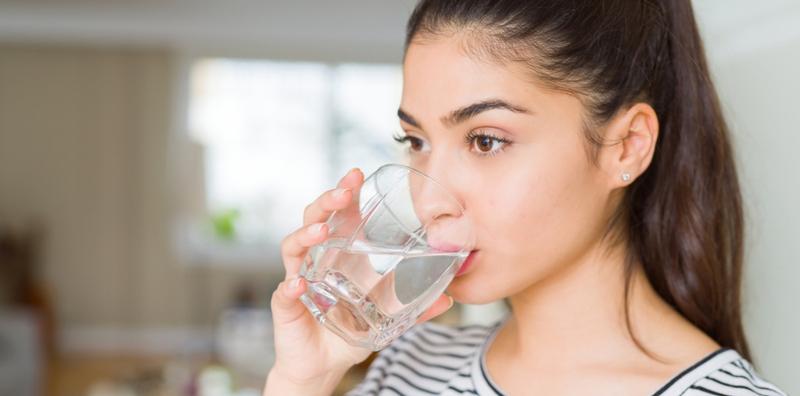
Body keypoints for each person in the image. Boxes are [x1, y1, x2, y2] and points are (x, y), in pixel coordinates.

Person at [263, 0, 787, 395]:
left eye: (486, 140)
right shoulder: (410, 365)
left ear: (626, 147)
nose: (427, 204)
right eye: (416, 142)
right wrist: (303, 379)